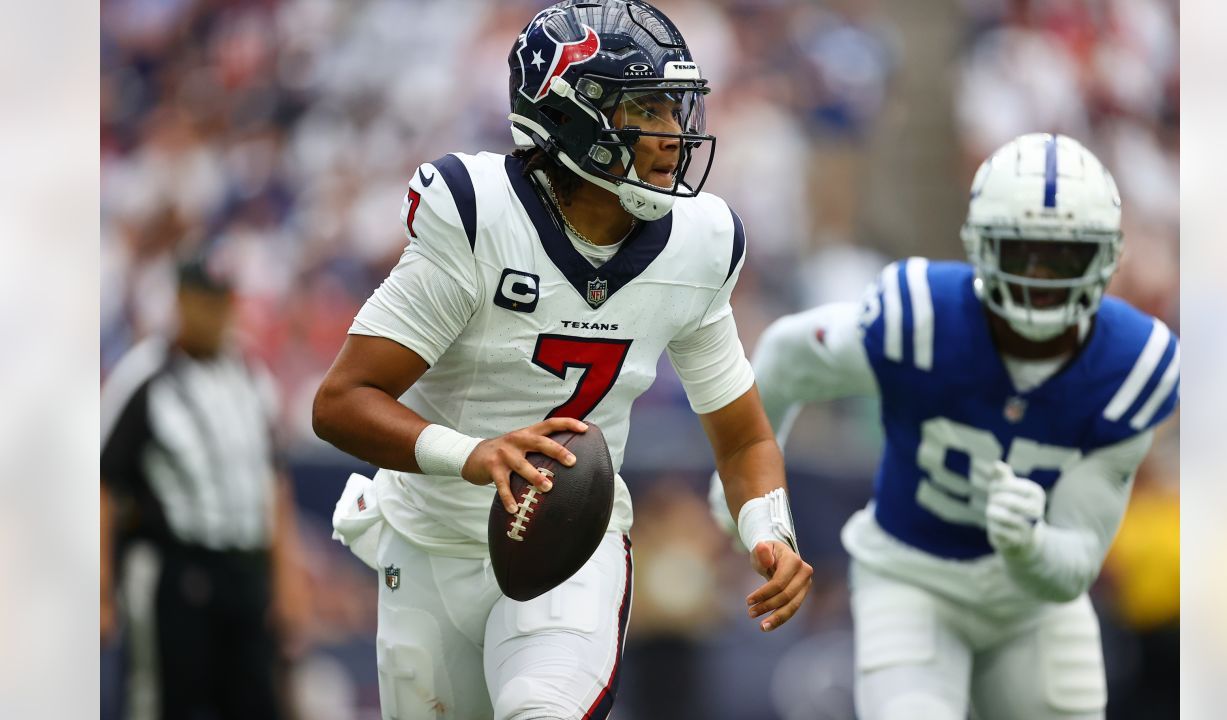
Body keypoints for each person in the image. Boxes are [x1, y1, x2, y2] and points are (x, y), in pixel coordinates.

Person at [312, 2, 813, 718]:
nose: (674, 136)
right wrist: (475, 453)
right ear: (572, 115)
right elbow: (341, 402)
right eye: (649, 110)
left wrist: (770, 530)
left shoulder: (697, 245)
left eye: (677, 110)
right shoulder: (480, 216)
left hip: (574, 540)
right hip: (428, 543)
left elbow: (745, 438)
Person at [711, 133, 1180, 719]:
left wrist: (1031, 545)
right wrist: (744, 488)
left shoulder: (1132, 364)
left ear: (1106, 257)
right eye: (1021, 252)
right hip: (912, 577)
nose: (1041, 280)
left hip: (1032, 603)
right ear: (981, 247)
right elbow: (787, 355)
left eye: (1064, 257)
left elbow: (1075, 564)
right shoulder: (923, 317)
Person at [100, 255, 307, 720]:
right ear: (180, 302)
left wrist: (286, 577)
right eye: (202, 303)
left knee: (257, 702)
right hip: (174, 570)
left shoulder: (251, 376)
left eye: (221, 303)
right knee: (162, 702)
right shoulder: (145, 375)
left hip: (245, 572)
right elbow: (104, 482)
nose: (213, 316)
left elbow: (272, 480)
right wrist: (99, 590)